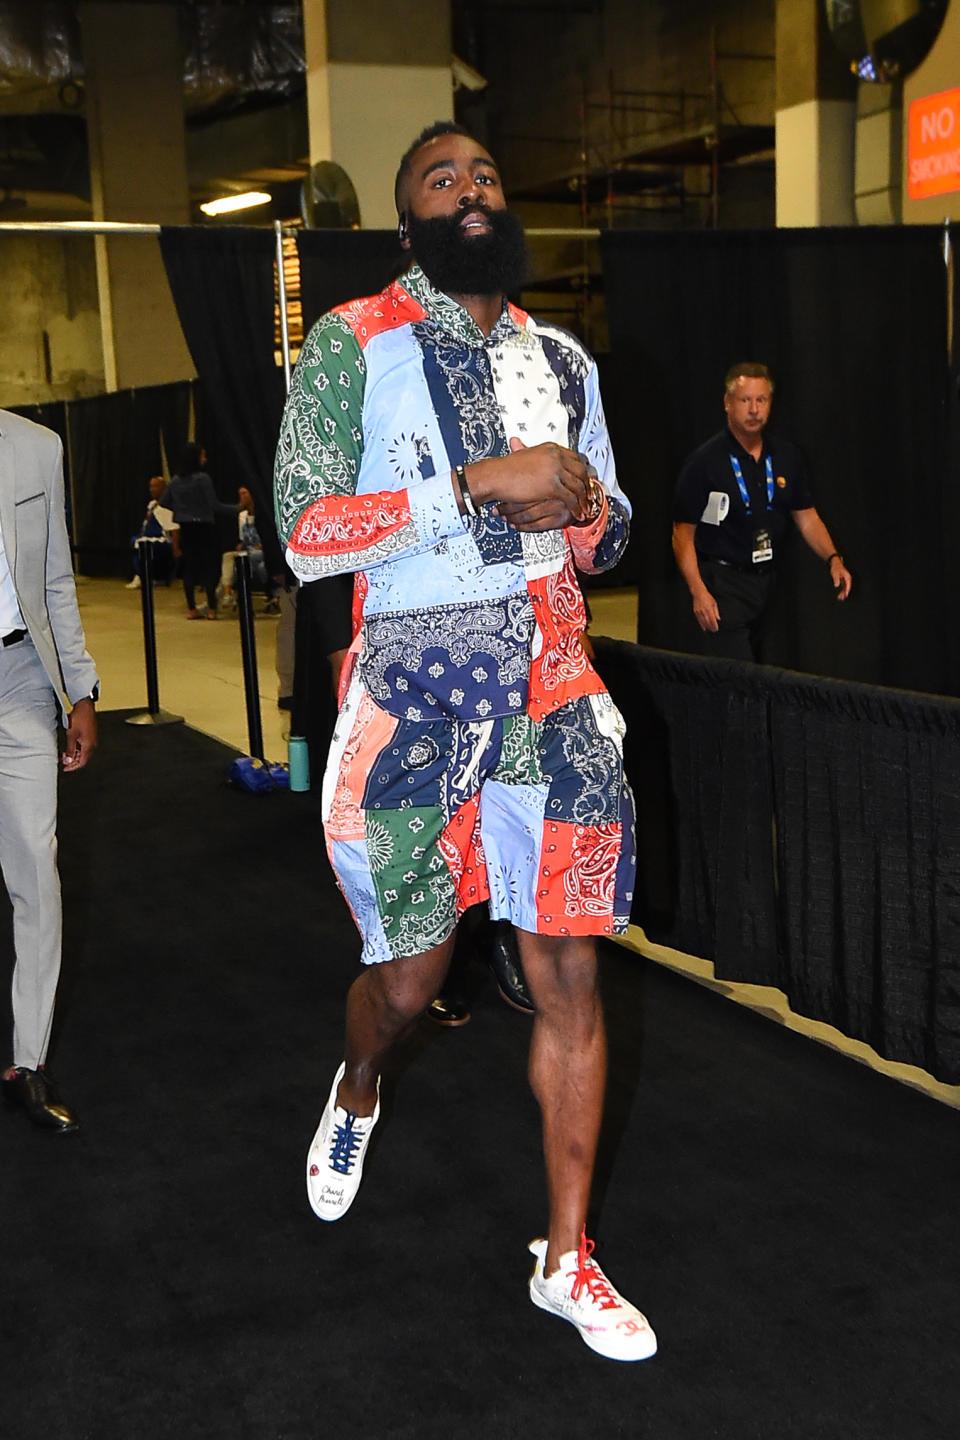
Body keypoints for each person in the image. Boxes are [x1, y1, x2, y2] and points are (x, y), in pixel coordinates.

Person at [273, 120, 656, 1363]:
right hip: (415, 695)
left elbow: (609, 527)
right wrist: (476, 485)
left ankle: (566, 1256)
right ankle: (363, 1082)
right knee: (408, 982)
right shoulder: (352, 341)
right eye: (443, 178)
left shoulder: (563, 354)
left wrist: (588, 503)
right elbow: (307, 532)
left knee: (570, 977)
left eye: (486, 172)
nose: (472, 187)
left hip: (554, 694)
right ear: (408, 224)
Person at [0, 409, 99, 1132]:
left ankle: (27, 1060)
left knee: (37, 864)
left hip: (19, 681)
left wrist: (82, 690)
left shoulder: (37, 449)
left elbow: (57, 579)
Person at [672, 362, 852, 661]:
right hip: (723, 585)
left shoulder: (786, 456)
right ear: (727, 403)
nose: (754, 409)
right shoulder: (705, 462)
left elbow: (806, 517)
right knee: (737, 680)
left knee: (772, 680)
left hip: (769, 584)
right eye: (745, 400)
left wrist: (833, 558)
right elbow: (682, 534)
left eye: (761, 400)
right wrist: (698, 591)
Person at [160, 444, 238, 619]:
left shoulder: (175, 480)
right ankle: (211, 609)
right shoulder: (203, 479)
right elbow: (214, 505)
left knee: (190, 568)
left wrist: (181, 509)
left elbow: (164, 501)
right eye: (203, 456)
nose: (205, 459)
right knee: (209, 567)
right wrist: (237, 508)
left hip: (186, 527)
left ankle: (191, 609)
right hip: (204, 526)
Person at [219, 485, 280, 612]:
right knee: (228, 556)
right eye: (240, 494)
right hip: (249, 550)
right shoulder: (242, 516)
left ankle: (225, 592)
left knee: (254, 562)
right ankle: (227, 593)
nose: (242, 497)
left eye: (244, 494)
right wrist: (241, 544)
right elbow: (244, 539)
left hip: (264, 550)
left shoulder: (265, 513)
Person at [126, 474, 178, 588]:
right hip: (148, 536)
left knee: (141, 543)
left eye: (156, 486)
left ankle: (141, 576)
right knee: (135, 540)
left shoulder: (167, 506)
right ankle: (141, 575)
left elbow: (173, 528)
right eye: (151, 486)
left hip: (163, 539)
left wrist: (176, 547)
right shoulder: (151, 505)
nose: (152, 489)